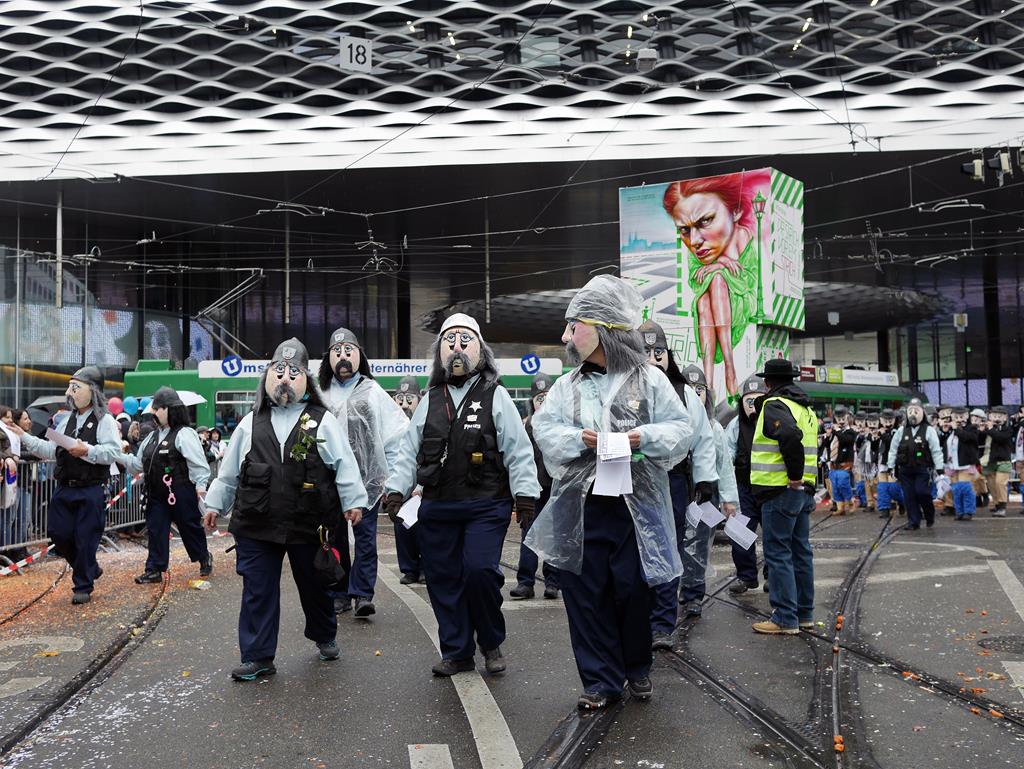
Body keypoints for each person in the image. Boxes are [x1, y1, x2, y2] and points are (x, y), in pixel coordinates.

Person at [525, 275, 694, 709]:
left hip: (636, 507)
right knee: (584, 593)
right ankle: (600, 679)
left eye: (573, 326)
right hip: (582, 505)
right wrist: (577, 439)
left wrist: (643, 437)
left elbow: (681, 429)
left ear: (601, 328)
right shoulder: (567, 385)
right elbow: (545, 430)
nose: (566, 337)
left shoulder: (650, 380)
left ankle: (635, 666)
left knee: (633, 589)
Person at [383, 314, 540, 678]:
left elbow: (518, 450)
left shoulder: (496, 395)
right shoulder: (429, 399)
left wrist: (525, 495)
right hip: (438, 504)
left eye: (464, 340)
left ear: (480, 351)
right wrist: (395, 490)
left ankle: (491, 640)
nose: (456, 347)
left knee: (480, 571)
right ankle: (457, 651)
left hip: (487, 503)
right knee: (443, 579)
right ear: (439, 352)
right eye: (449, 341)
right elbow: (407, 451)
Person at [203, 338, 367, 681]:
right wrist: (215, 504)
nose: (285, 379)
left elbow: (344, 464)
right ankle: (257, 656)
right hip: (257, 523)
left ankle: (324, 635)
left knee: (314, 586)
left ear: (306, 380)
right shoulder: (250, 422)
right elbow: (229, 472)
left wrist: (353, 501)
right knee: (257, 590)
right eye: (278, 371)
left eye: (294, 373)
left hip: (309, 521)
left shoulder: (322, 421)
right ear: (267, 377)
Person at [635, 321, 717, 645]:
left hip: (673, 480)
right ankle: (640, 617)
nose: (654, 357)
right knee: (636, 548)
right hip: (633, 480)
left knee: (669, 548)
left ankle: (661, 624)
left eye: (659, 351)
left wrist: (705, 479)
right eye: (645, 351)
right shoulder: (625, 390)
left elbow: (704, 436)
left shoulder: (684, 393)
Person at [319, 326, 408, 617]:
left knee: (366, 540)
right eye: (337, 352)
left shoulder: (373, 392)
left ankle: (363, 593)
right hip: (329, 480)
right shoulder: (321, 393)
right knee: (333, 538)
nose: (343, 357)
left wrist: (393, 480)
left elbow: (395, 436)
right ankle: (339, 592)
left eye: (349, 351)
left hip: (366, 481)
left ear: (359, 356)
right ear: (329, 358)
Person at [13, 367, 121, 604]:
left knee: (85, 538)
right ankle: (89, 567)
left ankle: (83, 584)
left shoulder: (105, 420)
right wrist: (23, 436)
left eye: (76, 387)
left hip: (90, 487)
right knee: (57, 533)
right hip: (64, 487)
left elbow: (113, 452)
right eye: (70, 387)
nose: (69, 393)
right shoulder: (65, 421)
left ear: (92, 391)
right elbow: (49, 449)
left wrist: (87, 450)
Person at [661, 170, 770, 397]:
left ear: (736, 212)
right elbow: (696, 280)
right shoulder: (695, 247)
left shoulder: (743, 236)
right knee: (703, 300)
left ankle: (726, 369)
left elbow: (748, 281)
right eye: (684, 230)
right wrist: (721, 264)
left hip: (741, 301)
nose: (694, 240)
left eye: (706, 221)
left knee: (717, 282)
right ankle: (711, 378)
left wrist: (718, 268)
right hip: (711, 308)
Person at [748, 358, 817, 635]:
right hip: (803, 492)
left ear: (767, 382)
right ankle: (804, 614)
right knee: (801, 552)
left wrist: (794, 475)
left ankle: (785, 618)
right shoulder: (805, 408)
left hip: (780, 490)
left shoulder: (774, 405)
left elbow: (789, 436)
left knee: (778, 554)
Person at [117, 387, 213, 583]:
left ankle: (203, 556)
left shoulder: (184, 433)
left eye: (158, 408)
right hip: (156, 493)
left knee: (189, 528)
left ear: (170, 409)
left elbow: (199, 465)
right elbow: (138, 465)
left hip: (180, 490)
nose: (154, 412)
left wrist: (200, 488)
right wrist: (118, 454)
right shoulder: (151, 437)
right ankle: (154, 569)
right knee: (156, 529)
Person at [510, 372, 561, 601]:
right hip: (533, 489)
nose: (543, 401)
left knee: (555, 535)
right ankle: (525, 581)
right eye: (539, 397)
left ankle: (553, 582)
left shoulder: (561, 425)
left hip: (556, 487)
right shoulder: (527, 426)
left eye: (547, 396)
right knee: (528, 534)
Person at [725, 374, 769, 593]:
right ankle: (746, 576)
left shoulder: (773, 421)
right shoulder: (735, 425)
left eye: (757, 400)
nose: (752, 405)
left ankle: (773, 576)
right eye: (748, 400)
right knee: (740, 532)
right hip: (743, 487)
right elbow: (726, 455)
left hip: (769, 487)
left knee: (773, 534)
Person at [886, 398, 944, 530]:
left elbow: (936, 450)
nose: (913, 414)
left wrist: (939, 468)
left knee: (922, 492)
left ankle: (929, 514)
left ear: (922, 413)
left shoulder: (929, 430)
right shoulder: (901, 431)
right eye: (910, 411)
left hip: (922, 468)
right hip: (905, 469)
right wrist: (890, 466)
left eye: (916, 411)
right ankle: (913, 522)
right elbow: (893, 449)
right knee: (909, 496)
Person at [390, 375, 424, 583]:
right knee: (402, 527)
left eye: (409, 399)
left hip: (422, 485)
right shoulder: (390, 425)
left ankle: (425, 567)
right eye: (399, 399)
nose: (404, 404)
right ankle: (409, 568)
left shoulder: (425, 421)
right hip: (400, 486)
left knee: (425, 529)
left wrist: (421, 485)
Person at [980, 406, 1013, 517]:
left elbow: (1000, 438)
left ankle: (1002, 507)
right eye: (994, 416)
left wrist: (990, 429)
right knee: (992, 485)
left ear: (1005, 418)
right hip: (989, 460)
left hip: (1003, 460)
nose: (997, 418)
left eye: (1000, 416)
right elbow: (978, 441)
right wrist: (981, 431)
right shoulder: (988, 428)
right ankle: (997, 505)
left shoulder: (1007, 429)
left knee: (1000, 483)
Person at [875, 409, 905, 518]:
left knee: (893, 487)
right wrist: (874, 438)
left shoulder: (898, 431)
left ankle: (903, 502)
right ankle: (884, 508)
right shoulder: (880, 431)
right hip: (882, 462)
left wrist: (883, 435)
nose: (887, 423)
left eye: (890, 420)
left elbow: (892, 443)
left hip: (894, 462)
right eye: (885, 420)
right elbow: (874, 448)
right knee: (882, 486)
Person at [828, 406, 857, 515]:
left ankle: (850, 501)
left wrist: (837, 431)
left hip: (845, 462)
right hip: (833, 463)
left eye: (843, 418)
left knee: (842, 483)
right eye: (838, 418)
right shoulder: (834, 432)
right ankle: (840, 507)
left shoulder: (851, 432)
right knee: (835, 486)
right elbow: (827, 444)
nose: (841, 421)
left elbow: (845, 440)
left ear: (847, 417)